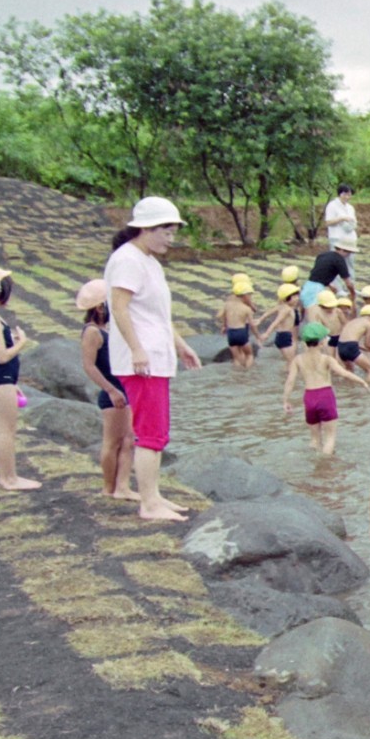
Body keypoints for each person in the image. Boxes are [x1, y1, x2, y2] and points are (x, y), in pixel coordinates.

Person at [105, 198, 203, 520]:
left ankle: (155, 496)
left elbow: (158, 315)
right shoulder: (128, 260)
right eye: (166, 230)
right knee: (150, 432)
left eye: (173, 231)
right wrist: (136, 349)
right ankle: (148, 504)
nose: (170, 238)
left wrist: (181, 345)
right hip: (142, 360)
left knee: (157, 430)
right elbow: (119, 307)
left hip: (156, 356)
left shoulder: (150, 262)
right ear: (145, 228)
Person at [76, 279, 137, 500]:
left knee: (128, 440)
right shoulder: (92, 332)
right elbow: (89, 366)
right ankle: (109, 488)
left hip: (123, 390)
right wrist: (111, 390)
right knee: (113, 442)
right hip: (114, 394)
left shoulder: (105, 330)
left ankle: (122, 486)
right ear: (101, 307)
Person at [0, 263, 37, 492]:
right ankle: (9, 478)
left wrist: (12, 384)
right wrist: (21, 343)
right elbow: (1, 356)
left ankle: (9, 476)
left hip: (3, 378)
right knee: (6, 429)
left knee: (5, 428)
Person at [283, 321, 369, 454]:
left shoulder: (298, 360)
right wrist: (362, 381)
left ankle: (315, 464)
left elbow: (290, 381)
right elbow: (343, 373)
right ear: (322, 342)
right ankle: (326, 467)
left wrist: (286, 400)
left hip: (309, 397)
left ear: (305, 342)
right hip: (325, 396)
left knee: (315, 439)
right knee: (330, 438)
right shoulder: (327, 359)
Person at [217, 275, 259, 369]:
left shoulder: (230, 298)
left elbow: (222, 314)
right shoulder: (245, 296)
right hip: (243, 326)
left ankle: (238, 375)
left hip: (231, 329)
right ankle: (248, 372)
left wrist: (224, 325)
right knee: (248, 353)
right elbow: (252, 308)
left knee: (237, 356)